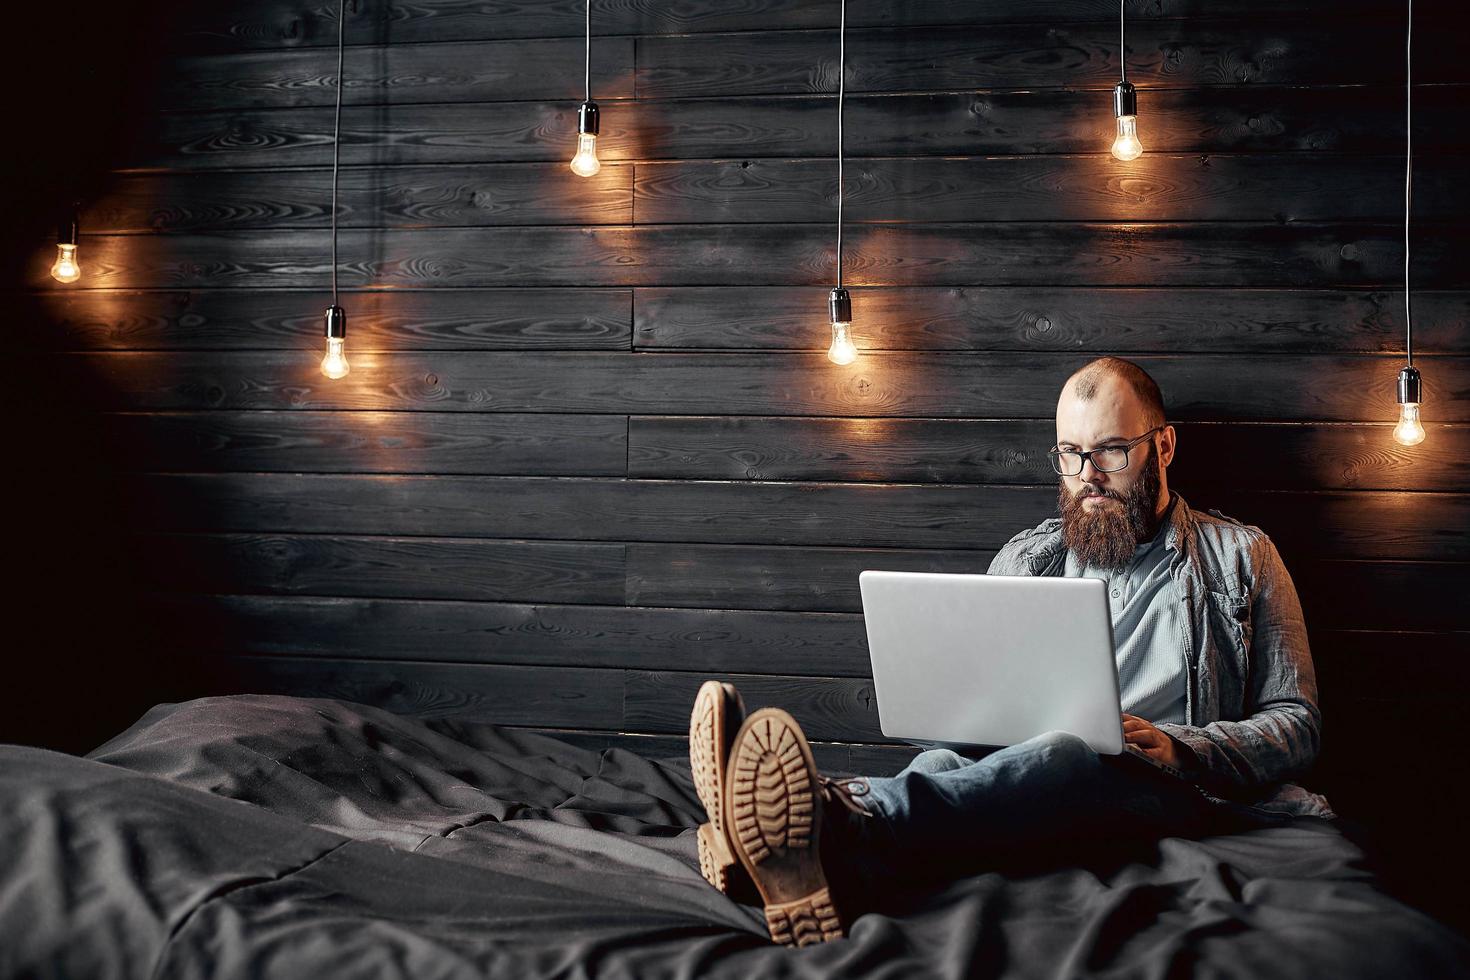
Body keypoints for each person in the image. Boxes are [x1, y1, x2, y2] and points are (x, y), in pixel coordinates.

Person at [687, 356, 1330, 948]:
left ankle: (830, 820)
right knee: (943, 757)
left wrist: (1183, 747)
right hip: (1033, 773)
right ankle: (814, 850)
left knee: (1065, 752)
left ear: (1162, 446)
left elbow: (1296, 724)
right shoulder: (1028, 558)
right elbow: (973, 707)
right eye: (1071, 454)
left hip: (1173, 787)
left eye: (1110, 452)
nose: (1087, 478)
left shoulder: (1243, 556)